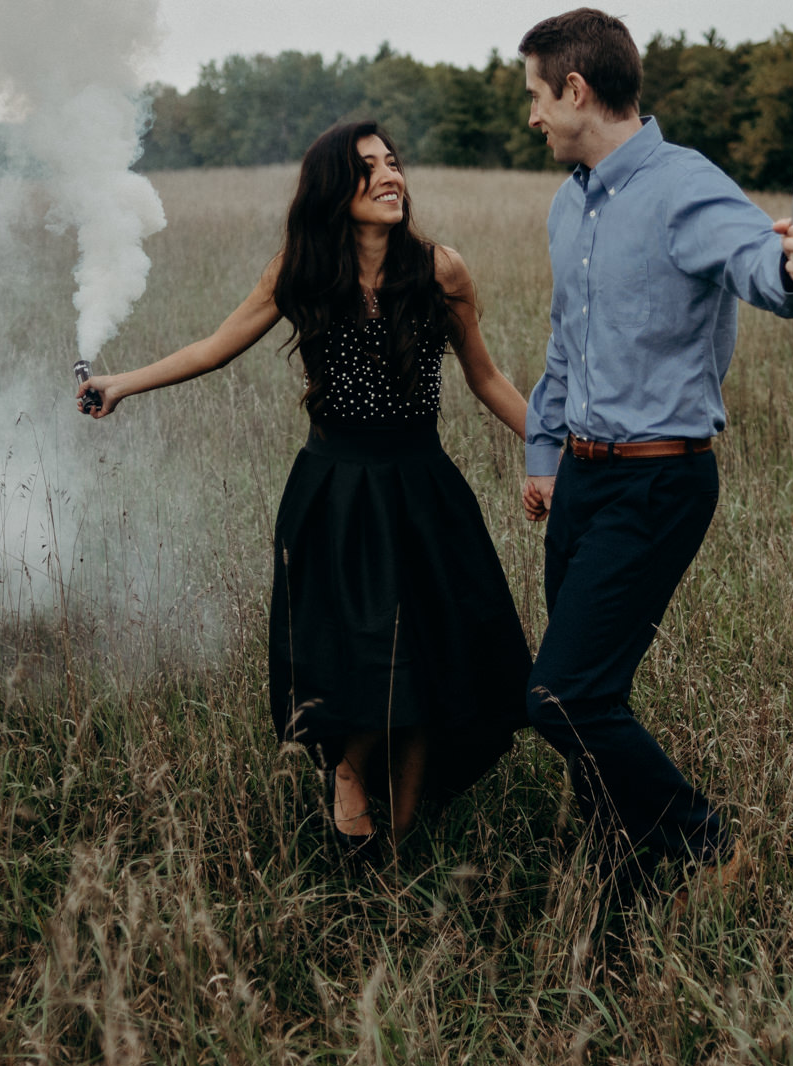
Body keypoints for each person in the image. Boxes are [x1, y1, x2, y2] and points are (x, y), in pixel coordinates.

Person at [77, 120, 535, 858]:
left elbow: (486, 378)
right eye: (368, 169)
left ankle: (404, 850)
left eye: (394, 163)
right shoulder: (301, 269)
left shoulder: (440, 270)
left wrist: (566, 451)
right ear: (333, 188)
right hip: (337, 494)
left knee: (425, 659)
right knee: (363, 657)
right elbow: (213, 348)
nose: (391, 177)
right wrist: (121, 384)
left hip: (422, 491)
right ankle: (350, 778)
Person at [515, 8, 793, 887]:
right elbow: (564, 343)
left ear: (576, 90)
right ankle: (619, 867)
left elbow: (761, 267)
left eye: (537, 97)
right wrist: (545, 456)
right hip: (580, 481)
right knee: (590, 695)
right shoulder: (567, 201)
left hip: (658, 485)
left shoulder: (685, 186)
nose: (532, 117)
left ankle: (709, 847)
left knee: (562, 695)